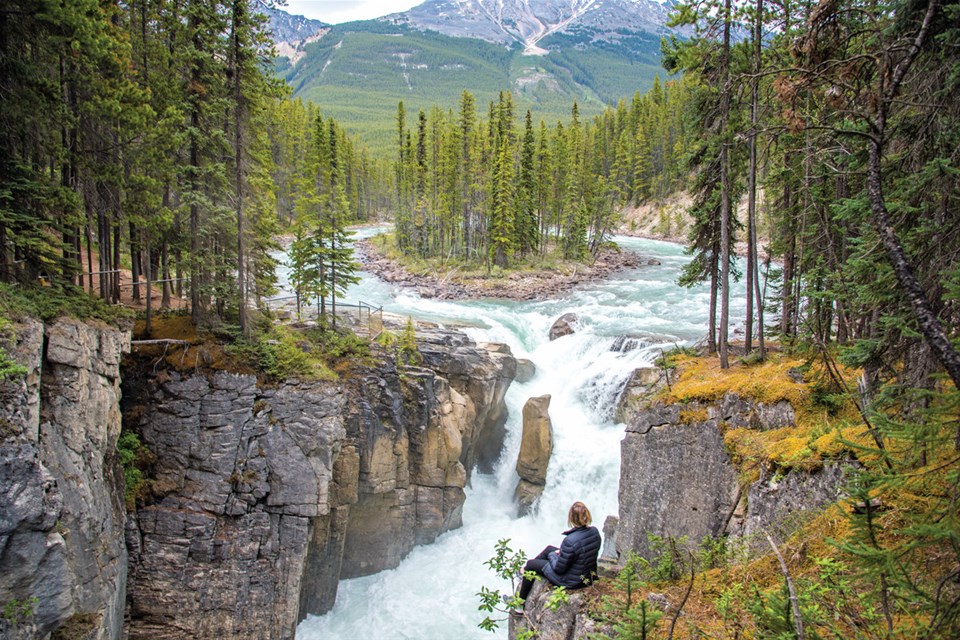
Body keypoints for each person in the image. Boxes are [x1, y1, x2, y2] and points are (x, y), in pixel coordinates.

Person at [517, 501, 602, 601]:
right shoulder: (594, 532)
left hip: (571, 581)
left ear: (571, 518)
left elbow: (559, 569)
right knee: (549, 548)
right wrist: (560, 553)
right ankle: (525, 576)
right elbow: (582, 552)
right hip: (587, 576)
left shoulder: (570, 540)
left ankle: (520, 604)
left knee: (531, 564)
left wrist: (553, 555)